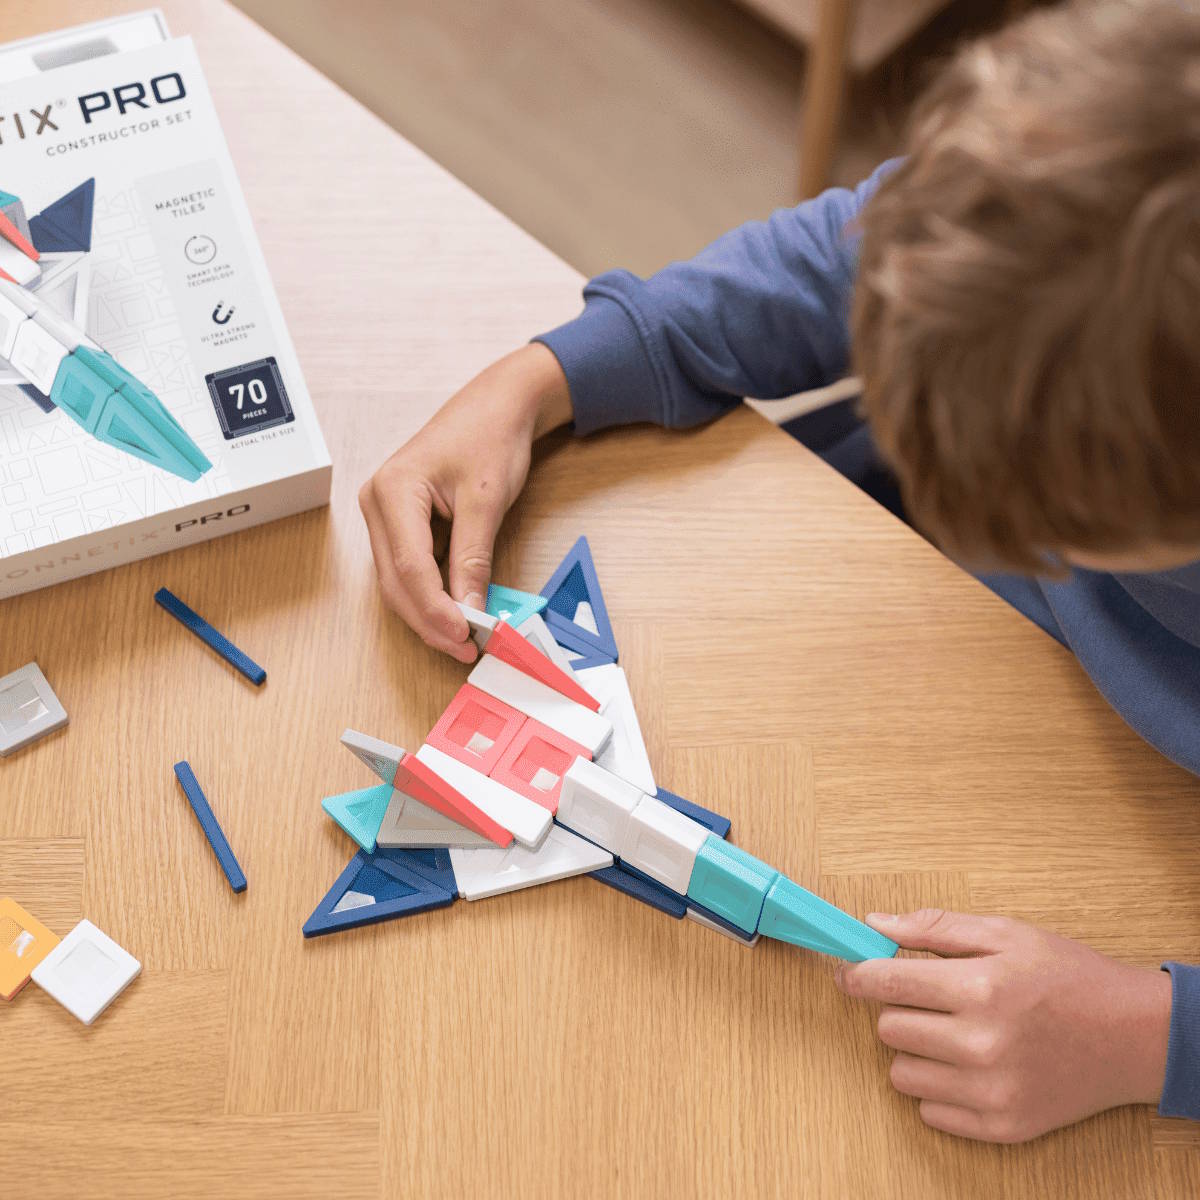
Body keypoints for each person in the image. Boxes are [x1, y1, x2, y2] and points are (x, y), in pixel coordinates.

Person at [357, 0, 1200, 1141]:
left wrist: (1153, 1037)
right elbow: (848, 257)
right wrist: (543, 379)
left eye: (1059, 519)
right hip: (896, 627)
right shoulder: (1116, 154)